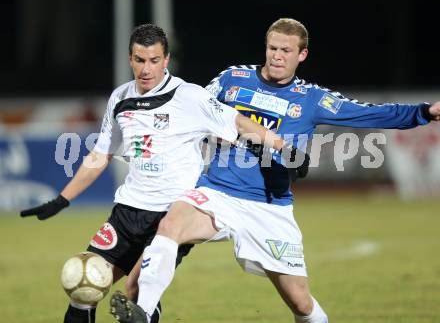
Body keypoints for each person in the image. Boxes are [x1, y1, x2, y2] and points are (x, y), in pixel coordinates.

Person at [109, 18, 440, 323]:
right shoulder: (232, 80)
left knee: (300, 304)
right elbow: (190, 110)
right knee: (172, 223)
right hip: (216, 192)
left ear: (302, 54)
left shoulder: (311, 99)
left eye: (286, 50)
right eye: (272, 48)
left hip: (269, 208)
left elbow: (371, 114)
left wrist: (424, 112)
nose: (277, 56)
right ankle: (143, 312)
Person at [20, 23, 304, 323]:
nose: (146, 69)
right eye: (140, 60)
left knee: (136, 293)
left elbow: (240, 123)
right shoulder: (120, 98)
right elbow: (99, 155)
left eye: (154, 60)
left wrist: (285, 149)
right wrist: (62, 200)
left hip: (172, 216)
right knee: (84, 289)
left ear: (166, 59)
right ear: (130, 59)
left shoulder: (189, 96)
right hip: (127, 213)